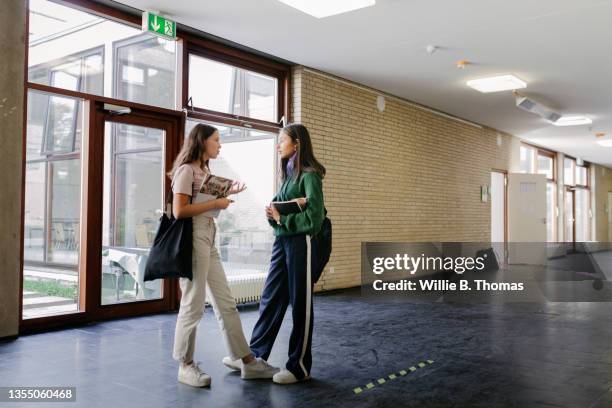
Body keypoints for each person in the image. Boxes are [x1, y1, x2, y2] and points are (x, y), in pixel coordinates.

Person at [170, 123, 279, 387]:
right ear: (202, 141)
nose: (220, 145)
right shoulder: (186, 170)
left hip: (209, 234)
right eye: (216, 140)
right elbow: (179, 211)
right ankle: (185, 365)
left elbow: (202, 204)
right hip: (195, 236)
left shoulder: (204, 171)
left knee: (226, 302)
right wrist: (217, 203)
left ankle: (247, 360)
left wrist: (224, 194)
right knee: (193, 304)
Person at [222, 123, 326, 384]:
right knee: (270, 298)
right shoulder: (289, 176)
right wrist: (275, 216)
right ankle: (256, 357)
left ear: (297, 144)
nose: (279, 144)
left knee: (300, 303)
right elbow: (277, 212)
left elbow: (315, 219)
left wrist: (283, 219)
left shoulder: (310, 176)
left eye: (283, 140)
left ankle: (299, 367)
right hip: (283, 243)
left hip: (301, 242)